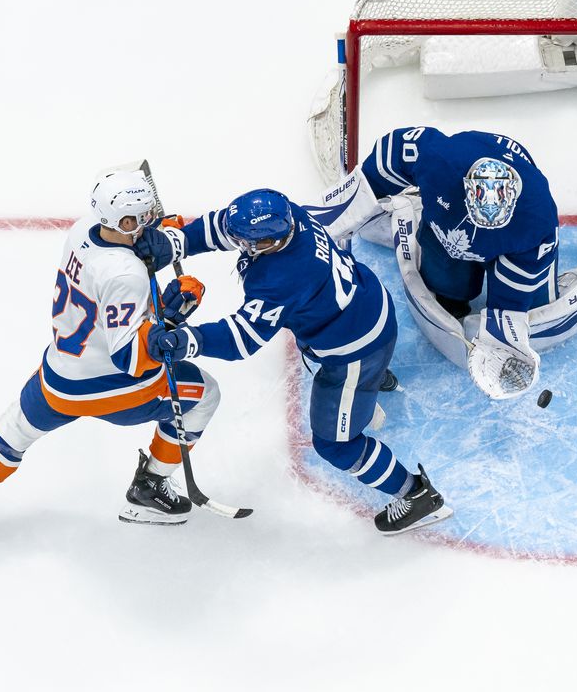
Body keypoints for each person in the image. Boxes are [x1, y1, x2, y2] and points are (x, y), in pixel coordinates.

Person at [134, 188, 449, 536]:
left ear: (269, 241)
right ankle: (372, 381)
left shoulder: (281, 277)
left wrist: (191, 339)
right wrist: (177, 243)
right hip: (369, 303)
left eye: (250, 243)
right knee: (337, 351)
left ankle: (418, 495)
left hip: (356, 349)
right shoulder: (285, 214)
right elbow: (223, 227)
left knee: (335, 445)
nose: (243, 246)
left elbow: (242, 338)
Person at [0, 168, 222, 539]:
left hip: (59, 372)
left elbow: (108, 290)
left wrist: (163, 233)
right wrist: (170, 316)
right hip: (111, 386)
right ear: (124, 220)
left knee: (18, 428)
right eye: (142, 217)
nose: (149, 221)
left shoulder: (82, 229)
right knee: (205, 393)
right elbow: (131, 359)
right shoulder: (126, 274)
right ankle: (149, 486)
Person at [315, 126, 577, 399]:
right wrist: (341, 214)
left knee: (540, 313)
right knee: (446, 290)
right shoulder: (439, 159)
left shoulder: (534, 221)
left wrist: (503, 335)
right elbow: (380, 166)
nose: (475, 230)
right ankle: (414, 206)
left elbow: (509, 307)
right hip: (447, 210)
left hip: (514, 246)